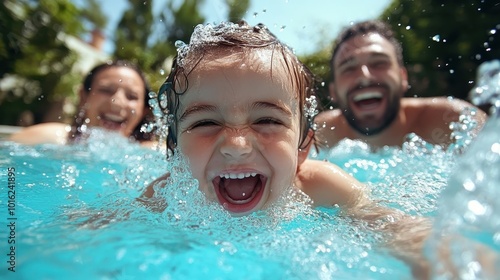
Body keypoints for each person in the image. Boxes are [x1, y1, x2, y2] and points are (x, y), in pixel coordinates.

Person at [140, 21, 434, 278]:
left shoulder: (318, 185)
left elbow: (399, 230)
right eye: (206, 122)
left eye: (267, 120)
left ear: (303, 146)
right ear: (176, 149)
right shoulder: (166, 195)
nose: (236, 146)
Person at [314, 20, 488, 149]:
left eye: (379, 63)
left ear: (403, 77)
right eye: (349, 68)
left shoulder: (452, 121)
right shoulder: (316, 137)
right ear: (333, 91)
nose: (364, 76)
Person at [9, 60, 155, 146]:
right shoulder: (50, 138)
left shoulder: (155, 155)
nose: (117, 103)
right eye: (105, 90)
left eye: (132, 96)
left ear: (144, 110)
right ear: (83, 97)